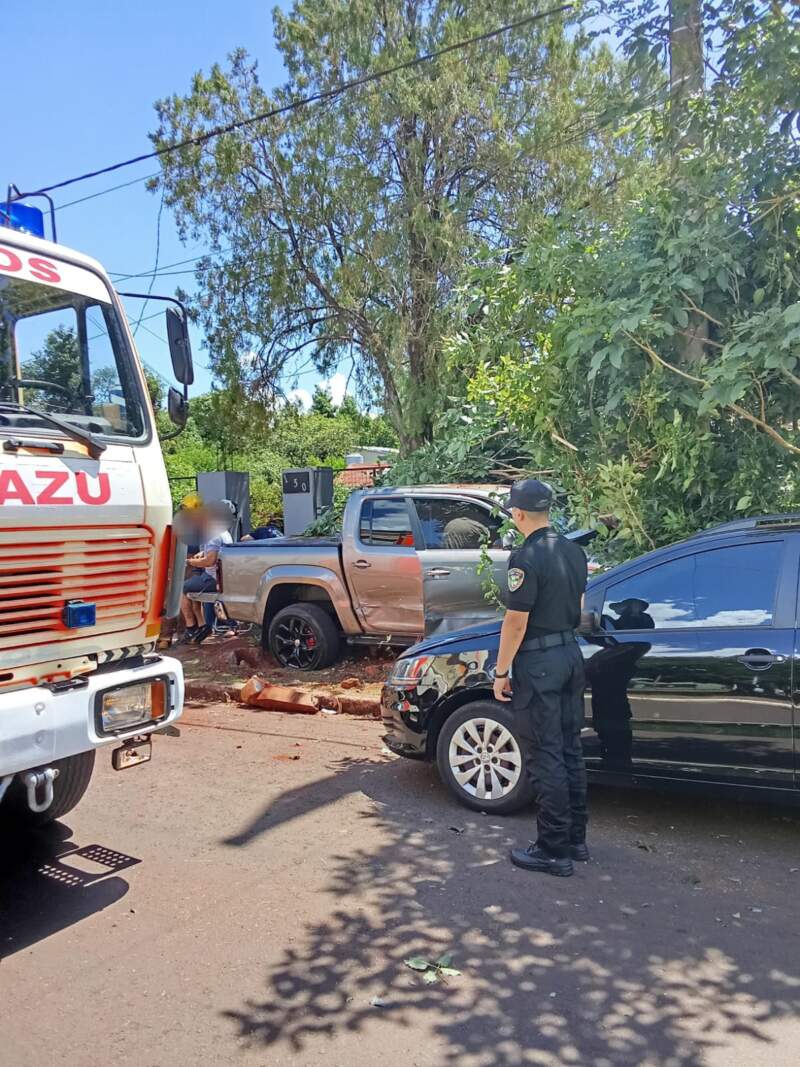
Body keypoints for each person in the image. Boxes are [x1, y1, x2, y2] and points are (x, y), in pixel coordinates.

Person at [492, 478, 589, 878]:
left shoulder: (525, 557)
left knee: (545, 754)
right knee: (569, 749)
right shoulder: (573, 551)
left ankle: (552, 850)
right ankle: (575, 840)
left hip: (540, 662)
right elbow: (578, 606)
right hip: (570, 656)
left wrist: (500, 672)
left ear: (517, 514)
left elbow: (516, 623)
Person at [180, 499, 235, 643]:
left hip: (214, 579)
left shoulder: (212, 535)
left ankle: (192, 627)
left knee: (183, 588)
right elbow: (213, 554)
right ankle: (202, 625)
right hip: (225, 577)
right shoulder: (223, 533)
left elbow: (209, 561)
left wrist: (190, 562)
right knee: (193, 585)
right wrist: (201, 555)